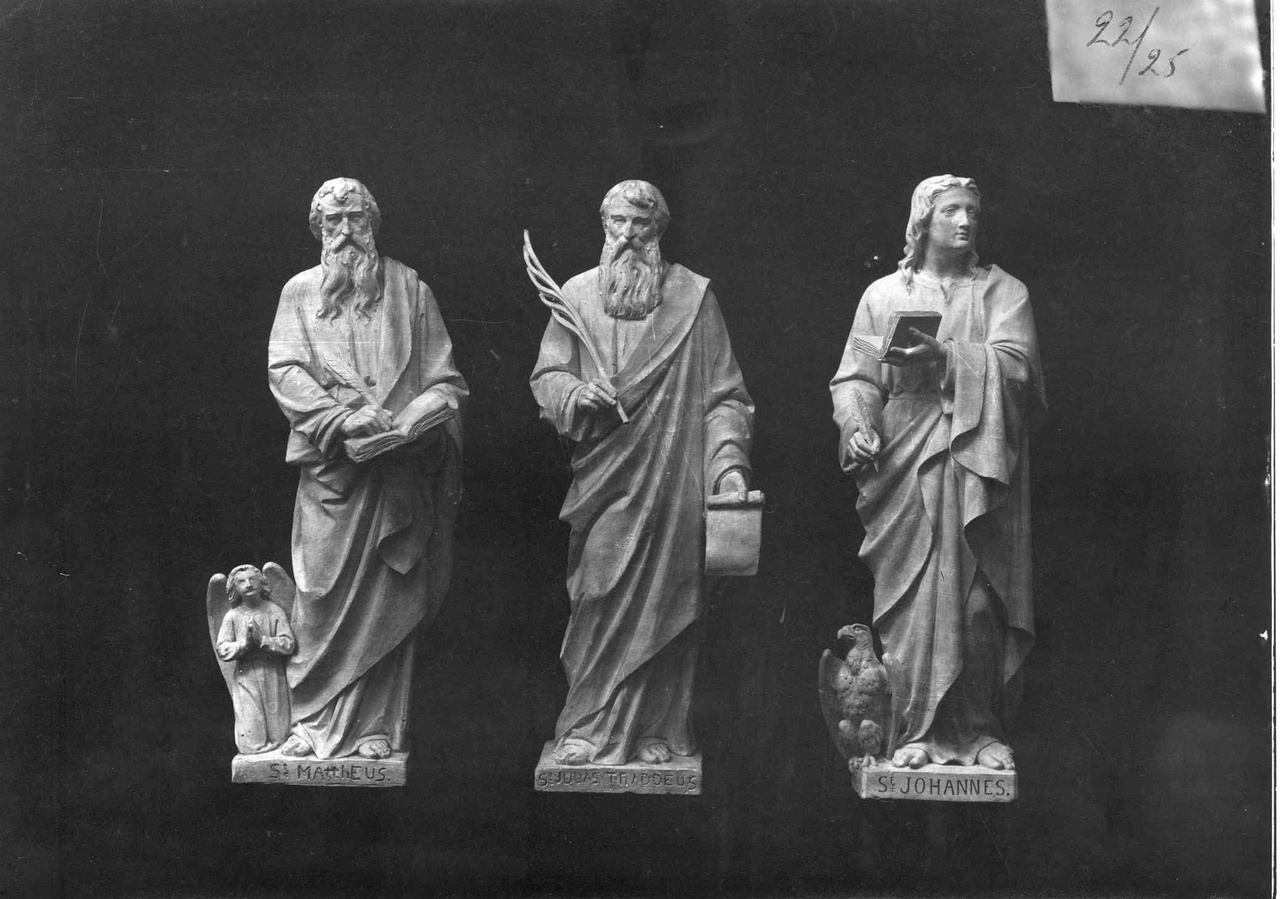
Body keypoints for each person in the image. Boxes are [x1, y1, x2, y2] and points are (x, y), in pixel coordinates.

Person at [530, 180, 754, 766]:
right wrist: (576, 394)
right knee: (599, 590)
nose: (629, 235)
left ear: (659, 230)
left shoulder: (693, 299)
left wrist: (728, 468)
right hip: (606, 481)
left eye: (642, 224)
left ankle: (658, 729)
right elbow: (548, 375)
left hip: (676, 484)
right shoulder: (576, 294)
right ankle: (586, 726)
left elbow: (725, 396)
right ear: (604, 227)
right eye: (619, 223)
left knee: (667, 603)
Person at [830, 175, 1046, 771]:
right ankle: (913, 732)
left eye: (972, 211)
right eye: (951, 210)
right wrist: (859, 426)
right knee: (912, 604)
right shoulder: (881, 295)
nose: (965, 221)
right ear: (923, 221)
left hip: (977, 460)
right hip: (904, 456)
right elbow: (855, 376)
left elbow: (1020, 372)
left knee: (977, 604)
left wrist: (947, 356)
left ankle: (979, 731)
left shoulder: (1004, 292)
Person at [268, 178, 468, 760]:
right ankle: (310, 722)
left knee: (389, 598)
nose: (346, 231)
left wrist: (417, 420)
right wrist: (340, 419)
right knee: (320, 595)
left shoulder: (411, 291)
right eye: (333, 222)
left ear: (373, 224)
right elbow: (285, 370)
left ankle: (376, 726)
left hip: (397, 478)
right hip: (334, 478)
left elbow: (445, 381)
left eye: (356, 218)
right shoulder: (299, 292)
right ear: (319, 230)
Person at [216, 565, 296, 754]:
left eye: (253, 579)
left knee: (280, 734)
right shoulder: (232, 616)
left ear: (262, 583)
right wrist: (243, 644)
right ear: (234, 588)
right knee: (252, 737)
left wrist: (263, 641)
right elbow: (222, 648)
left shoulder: (274, 611)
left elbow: (288, 643)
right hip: (246, 675)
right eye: (241, 581)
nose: (248, 584)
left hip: (272, 672)